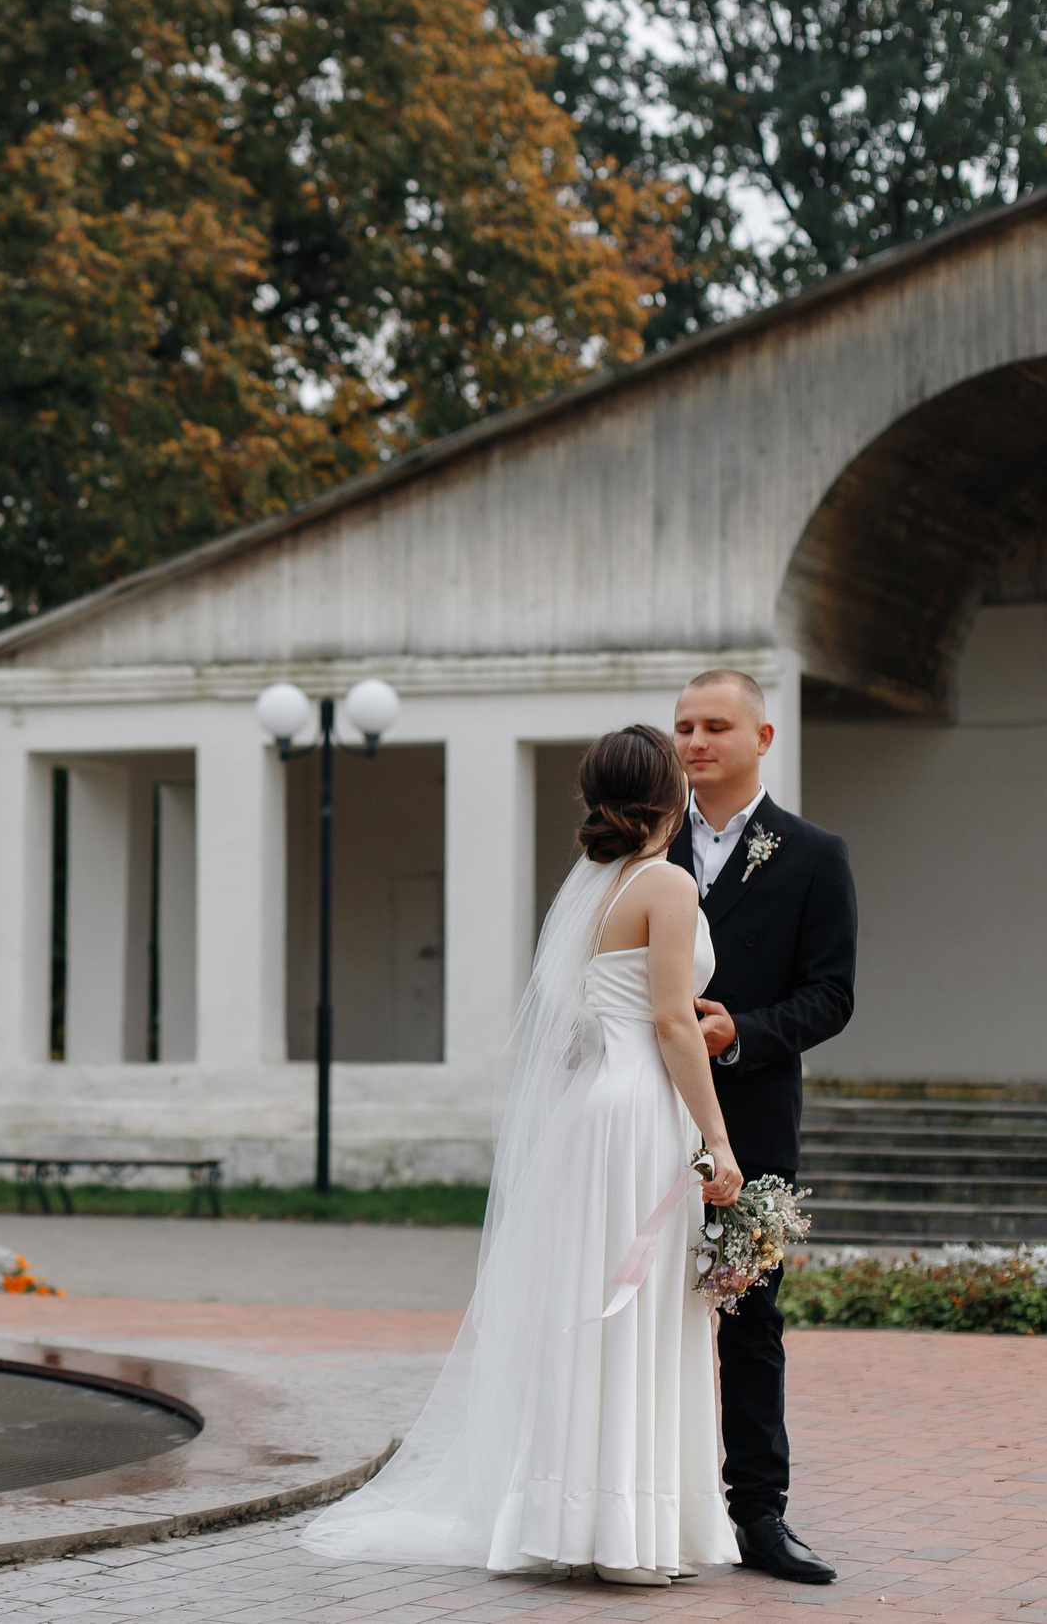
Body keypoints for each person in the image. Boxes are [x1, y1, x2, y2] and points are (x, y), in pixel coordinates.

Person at [301, 724, 744, 1584]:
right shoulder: (667, 883)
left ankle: (572, 1516)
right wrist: (718, 1138)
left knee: (591, 1303)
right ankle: (626, 1532)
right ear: (671, 796)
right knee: (638, 1310)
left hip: (593, 1113)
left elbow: (589, 1018)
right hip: (642, 1109)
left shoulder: (596, 888)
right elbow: (667, 1021)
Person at [668, 669, 856, 1585]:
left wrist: (741, 1029)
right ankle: (644, 1500)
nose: (695, 742)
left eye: (714, 725)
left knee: (748, 1318)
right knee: (638, 1310)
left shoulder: (814, 854)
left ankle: (760, 1517)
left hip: (751, 1123)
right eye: (683, 726)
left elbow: (832, 995)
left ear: (763, 737)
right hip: (645, 1118)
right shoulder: (643, 844)